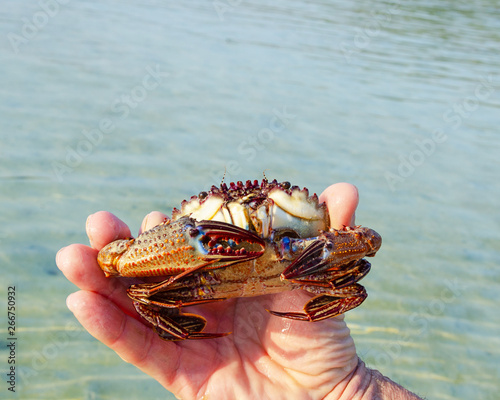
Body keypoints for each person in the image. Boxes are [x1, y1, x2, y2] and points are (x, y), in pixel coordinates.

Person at [57, 183, 423, 400]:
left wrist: (347, 391)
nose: (253, 212)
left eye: (274, 201)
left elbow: (365, 242)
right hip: (199, 283)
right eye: (228, 209)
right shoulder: (179, 233)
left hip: (303, 273)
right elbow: (113, 259)